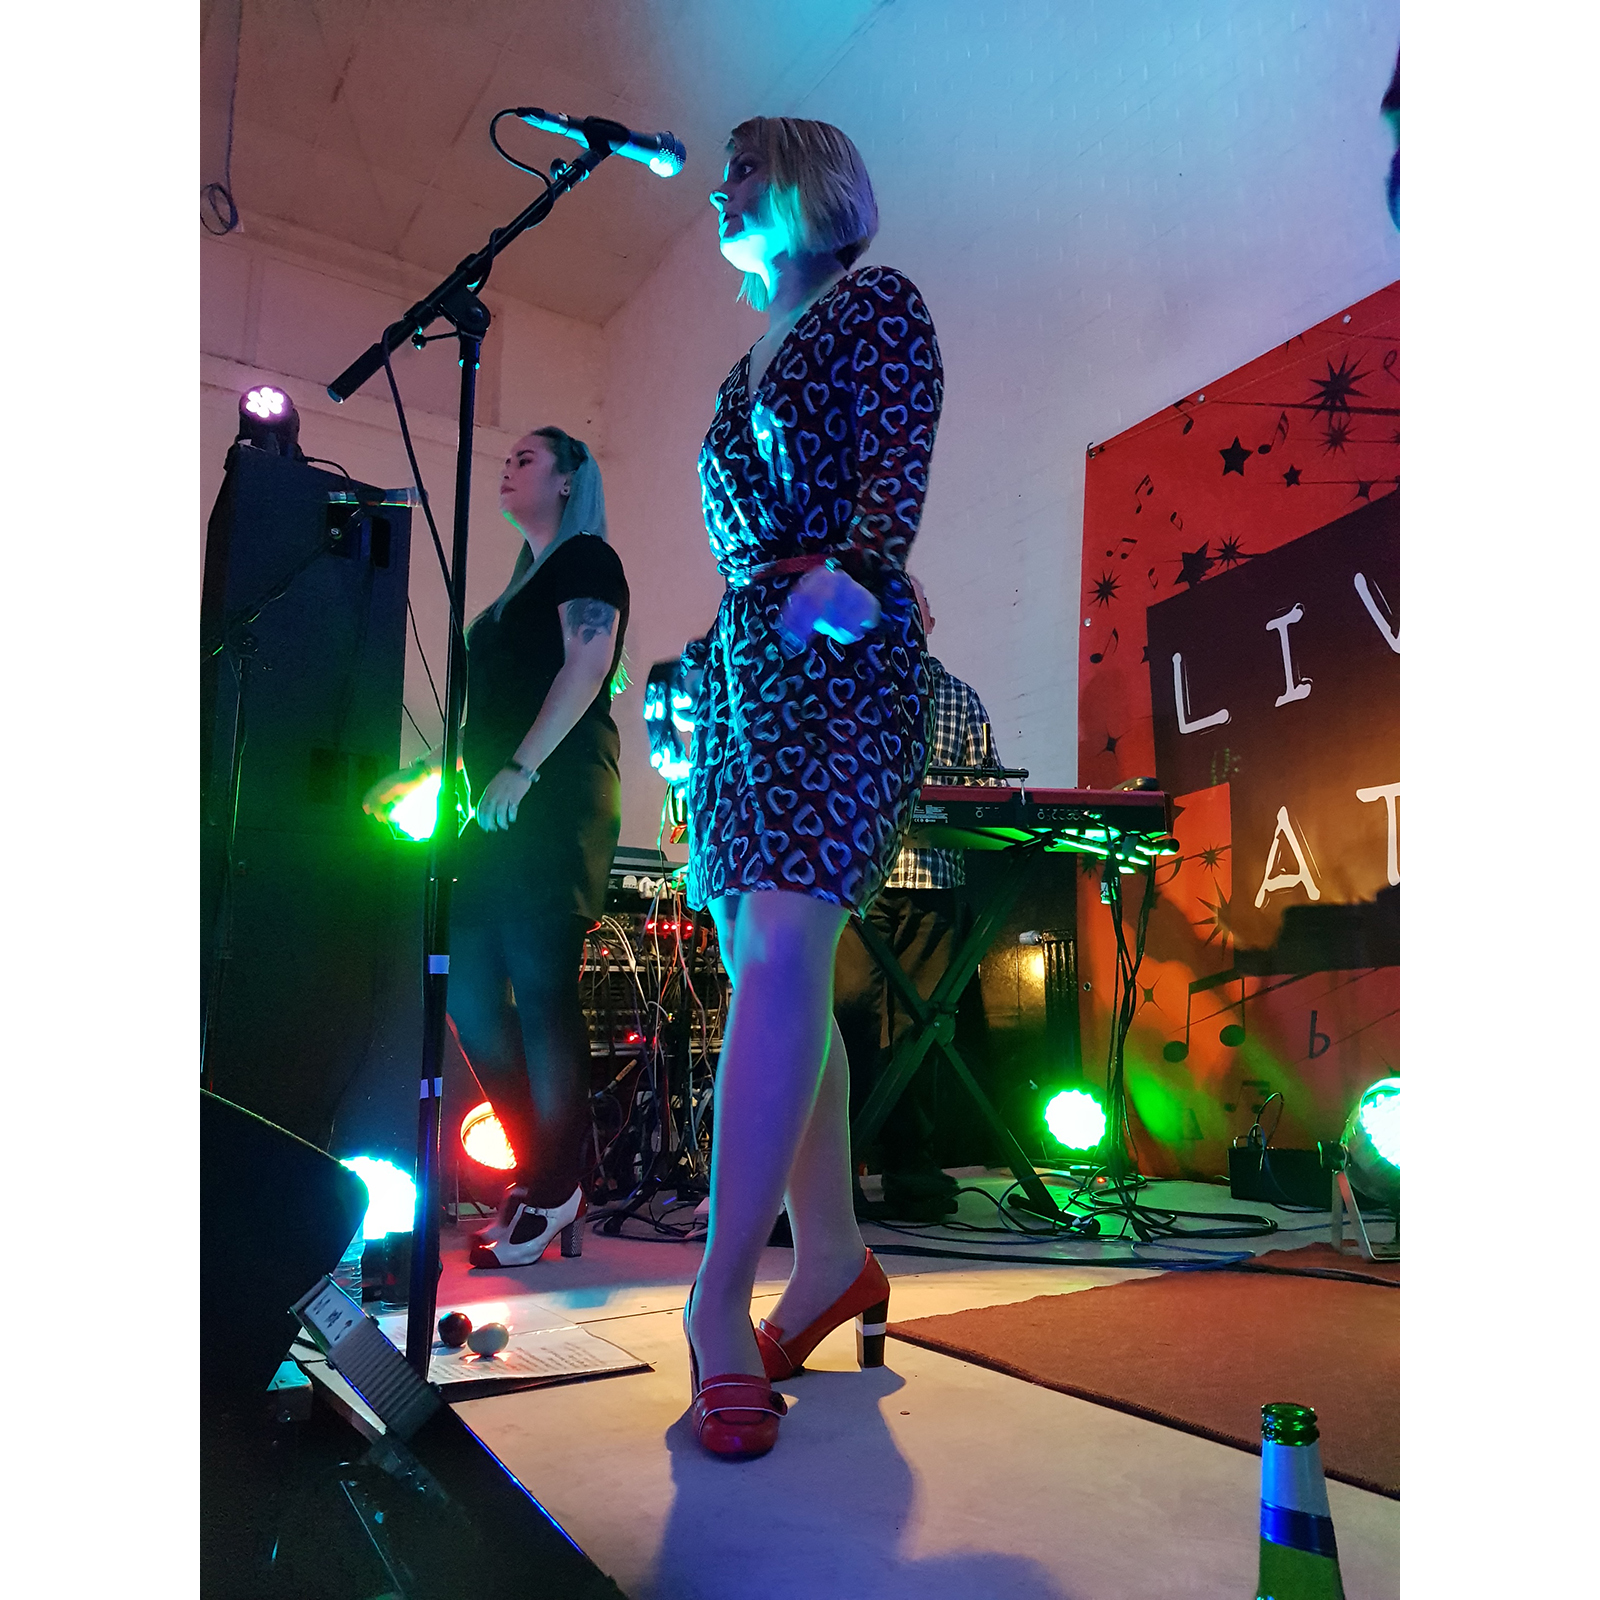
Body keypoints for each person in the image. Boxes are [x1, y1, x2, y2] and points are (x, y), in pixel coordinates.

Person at [679, 116, 944, 1461]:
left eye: (744, 168)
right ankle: (833, 1253)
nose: (717, 189)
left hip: (832, 646)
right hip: (746, 666)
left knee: (784, 944)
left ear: (807, 185)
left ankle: (717, 1297)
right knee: (765, 963)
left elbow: (891, 465)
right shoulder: (744, 364)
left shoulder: (872, 302)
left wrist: (859, 571)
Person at [363, 428, 629, 1268]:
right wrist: (426, 773)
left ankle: (551, 1186)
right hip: (495, 806)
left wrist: (521, 768)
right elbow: (491, 715)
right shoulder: (522, 587)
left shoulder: (587, 560)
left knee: (543, 991)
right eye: (506, 459)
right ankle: (550, 1172)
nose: (506, 469)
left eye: (525, 459)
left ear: (568, 479)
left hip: (553, 797)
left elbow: (586, 667)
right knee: (470, 992)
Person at [834, 574, 1004, 1223]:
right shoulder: (842, 691)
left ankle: (911, 1171)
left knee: (918, 1033)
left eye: (915, 609)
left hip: (926, 883)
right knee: (846, 1026)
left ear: (927, 623)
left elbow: (990, 797)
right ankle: (836, 1175)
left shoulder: (958, 697)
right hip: (855, 887)